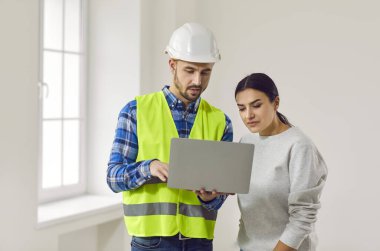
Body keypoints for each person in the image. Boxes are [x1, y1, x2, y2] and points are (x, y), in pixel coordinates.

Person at [107, 22, 233, 251]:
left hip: (199, 243)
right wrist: (149, 167)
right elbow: (113, 178)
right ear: (172, 65)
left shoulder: (221, 122)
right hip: (151, 243)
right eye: (190, 70)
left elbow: (218, 199)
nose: (197, 81)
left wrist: (209, 197)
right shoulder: (135, 111)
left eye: (206, 72)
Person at [234, 73, 327, 251]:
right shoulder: (246, 142)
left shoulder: (299, 146)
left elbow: (302, 216)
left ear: (276, 102)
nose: (248, 115)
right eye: (241, 108)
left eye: (256, 105)